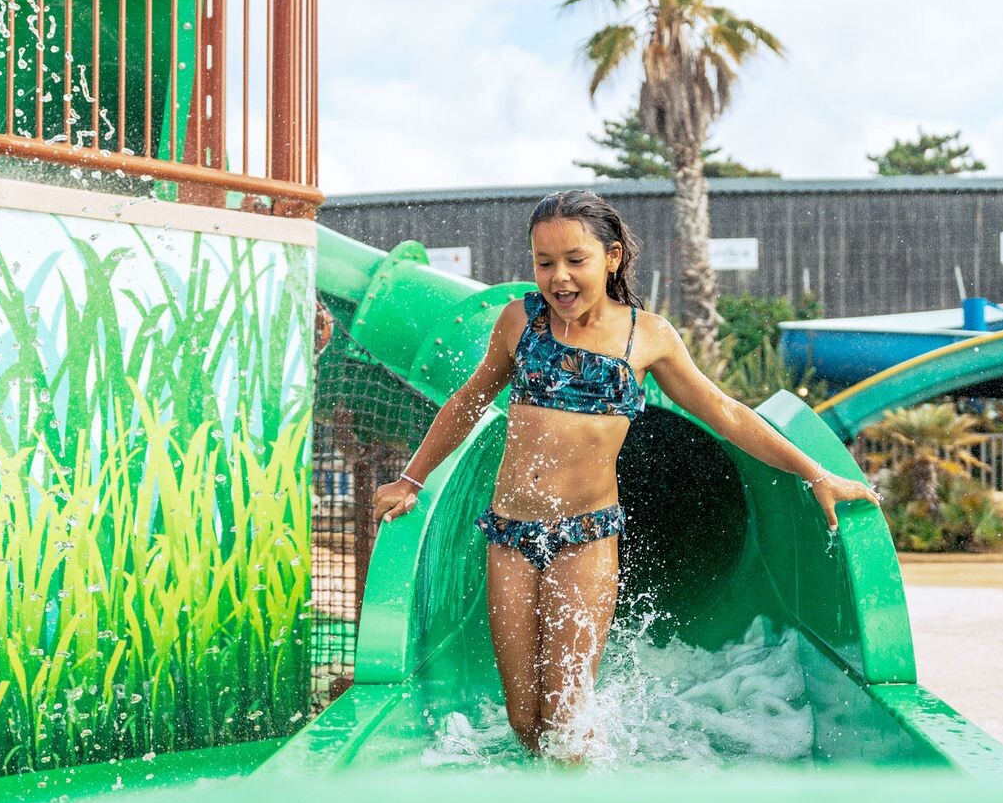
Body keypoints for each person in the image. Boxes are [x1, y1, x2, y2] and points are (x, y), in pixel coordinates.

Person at [371, 190, 880, 762]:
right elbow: (468, 402)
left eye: (575, 260)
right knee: (525, 718)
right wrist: (411, 480)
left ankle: (587, 797)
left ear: (611, 258)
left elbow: (727, 413)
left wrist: (814, 472)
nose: (559, 277)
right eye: (544, 262)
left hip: (585, 538)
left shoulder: (647, 335)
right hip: (509, 535)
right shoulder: (519, 321)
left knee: (566, 716)